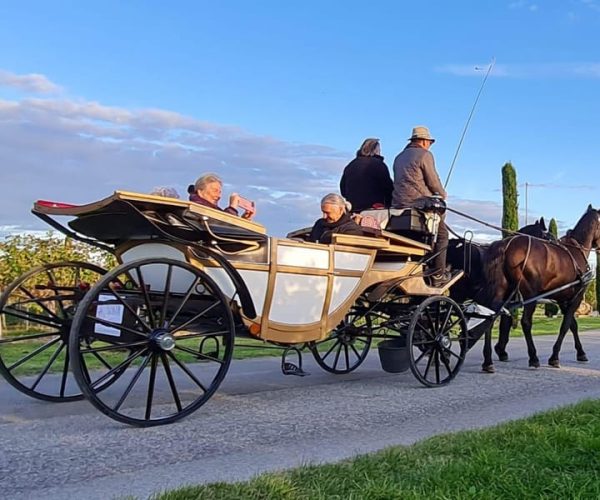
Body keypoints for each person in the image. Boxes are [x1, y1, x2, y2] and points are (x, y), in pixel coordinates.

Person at [391, 126, 449, 285]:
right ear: (423, 141)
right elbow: (433, 181)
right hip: (418, 204)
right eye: (429, 142)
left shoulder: (398, 157)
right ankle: (438, 274)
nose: (429, 145)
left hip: (398, 204)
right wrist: (442, 195)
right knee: (443, 235)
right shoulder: (425, 155)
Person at [339, 138, 393, 212]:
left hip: (353, 209)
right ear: (375, 150)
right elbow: (388, 188)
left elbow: (343, 190)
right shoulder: (379, 165)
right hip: (374, 209)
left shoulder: (350, 165)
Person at [190, 173, 256, 219]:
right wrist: (232, 207)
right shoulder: (196, 208)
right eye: (215, 191)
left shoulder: (212, 209)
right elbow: (222, 225)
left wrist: (244, 219)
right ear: (200, 192)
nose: (219, 196)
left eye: (219, 192)